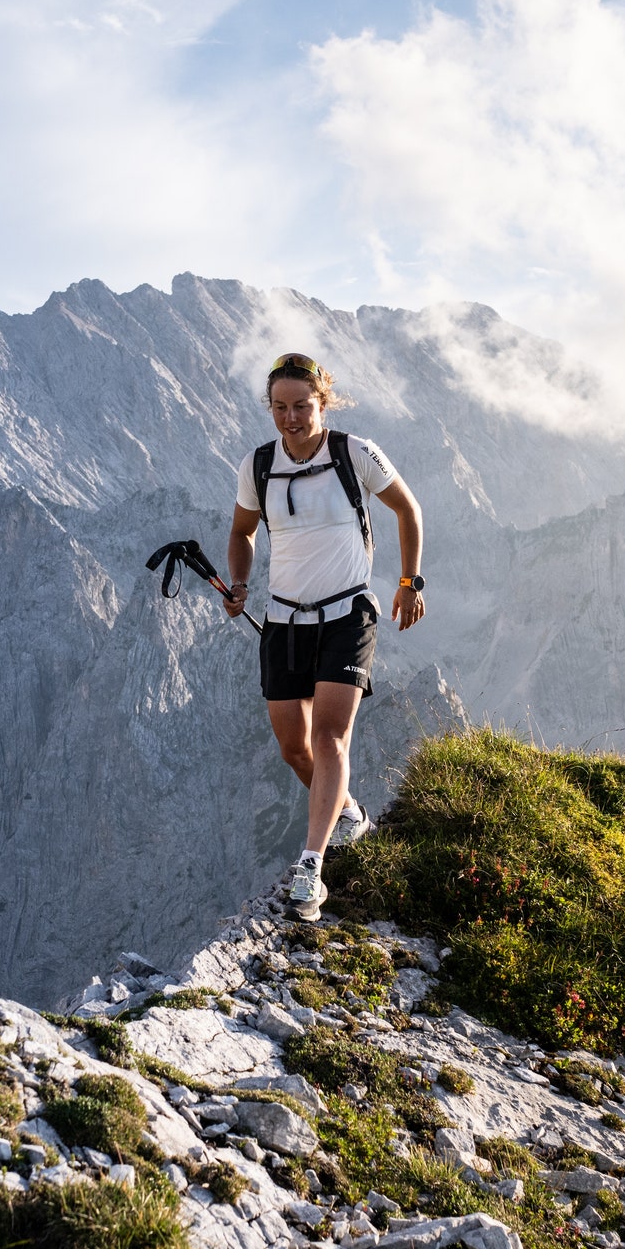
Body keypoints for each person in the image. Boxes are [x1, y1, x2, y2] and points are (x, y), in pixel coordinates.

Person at [225, 352, 425, 921]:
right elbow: (242, 533)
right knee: (294, 747)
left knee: (331, 739)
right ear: (271, 408)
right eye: (280, 408)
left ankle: (311, 868)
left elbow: (407, 511)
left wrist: (411, 581)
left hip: (347, 615)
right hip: (284, 620)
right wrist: (239, 582)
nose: (291, 418)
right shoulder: (258, 466)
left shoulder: (353, 453)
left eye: (302, 407)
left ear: (323, 403)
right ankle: (347, 812)